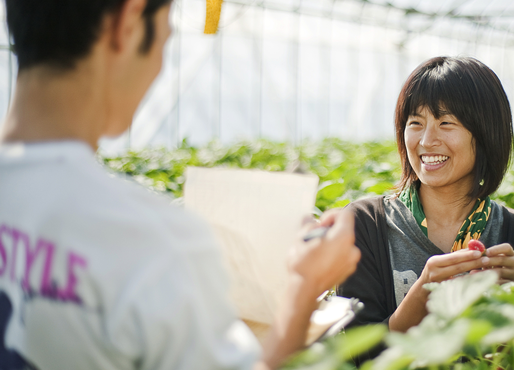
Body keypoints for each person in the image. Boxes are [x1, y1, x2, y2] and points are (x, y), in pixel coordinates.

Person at [0, 0, 360, 369]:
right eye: (166, 39)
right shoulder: (149, 239)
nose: (158, 66)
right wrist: (304, 287)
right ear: (128, 22)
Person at [337, 56, 514, 338]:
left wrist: (513, 300)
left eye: (446, 122)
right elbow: (356, 355)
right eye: (415, 122)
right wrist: (423, 293)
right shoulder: (363, 225)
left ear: (487, 133)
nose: (426, 140)